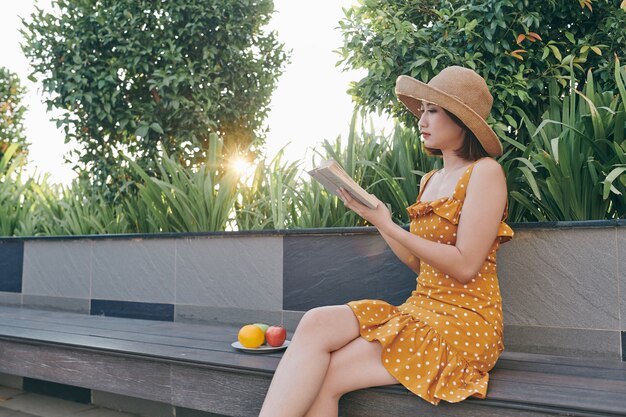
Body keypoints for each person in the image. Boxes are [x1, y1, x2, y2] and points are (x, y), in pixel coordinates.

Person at [258, 66, 514, 417]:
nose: (421, 119)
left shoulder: (485, 172)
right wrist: (378, 221)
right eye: (421, 109)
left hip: (464, 323)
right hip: (422, 308)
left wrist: (390, 226)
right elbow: (418, 263)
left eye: (433, 110)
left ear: (461, 121)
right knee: (316, 322)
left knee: (326, 377)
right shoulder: (430, 180)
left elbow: (466, 265)